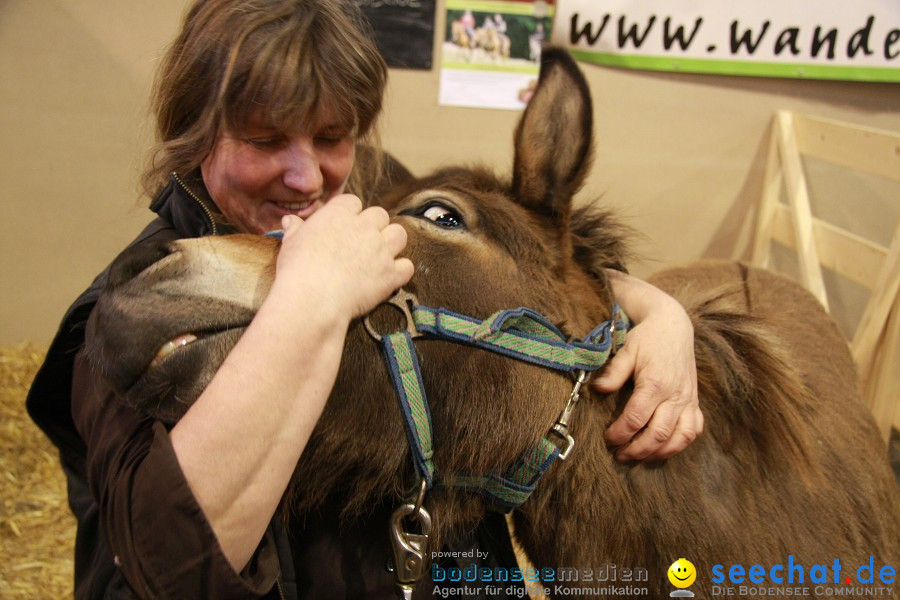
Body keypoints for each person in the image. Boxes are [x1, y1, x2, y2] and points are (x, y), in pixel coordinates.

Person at [26, 0, 702, 598]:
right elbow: (171, 568)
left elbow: (519, 262)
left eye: (330, 137)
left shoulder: (366, 195)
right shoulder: (140, 305)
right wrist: (311, 298)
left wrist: (659, 312)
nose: (305, 176)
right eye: (263, 139)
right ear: (195, 134)